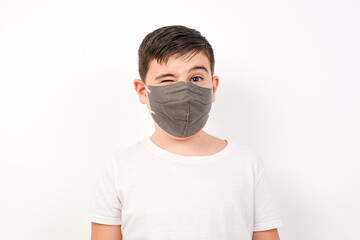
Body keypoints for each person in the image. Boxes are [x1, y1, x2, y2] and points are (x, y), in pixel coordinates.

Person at [89, 25, 283, 240]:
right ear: (143, 91)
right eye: (167, 80)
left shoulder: (247, 164)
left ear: (213, 87)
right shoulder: (119, 167)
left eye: (196, 78)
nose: (184, 90)